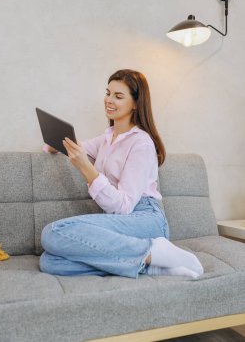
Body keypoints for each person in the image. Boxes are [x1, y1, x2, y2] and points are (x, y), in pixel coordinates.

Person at [40, 69, 204, 279]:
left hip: (145, 218)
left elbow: (124, 206)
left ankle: (156, 249)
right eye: (108, 93)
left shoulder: (141, 143)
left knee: (52, 233)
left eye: (118, 96)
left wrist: (85, 168)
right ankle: (151, 264)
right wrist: (56, 144)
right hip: (120, 221)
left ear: (135, 103)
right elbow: (78, 147)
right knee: (50, 261)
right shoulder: (108, 137)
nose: (109, 100)